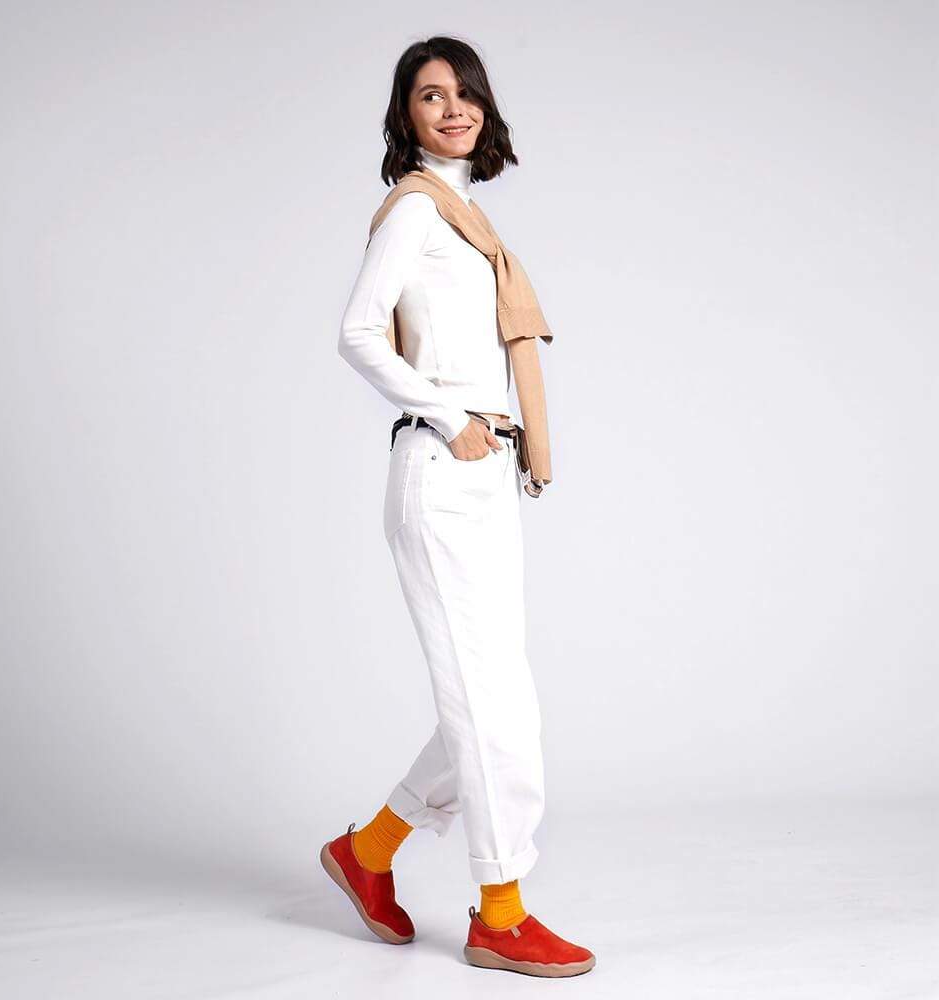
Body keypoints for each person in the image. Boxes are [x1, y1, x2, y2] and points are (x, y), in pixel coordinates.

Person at [321, 36, 595, 978]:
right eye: (429, 95)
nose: (453, 108)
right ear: (405, 116)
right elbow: (359, 332)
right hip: (440, 470)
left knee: (492, 695)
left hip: (484, 474)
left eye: (464, 92)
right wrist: (448, 415)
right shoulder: (414, 209)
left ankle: (367, 852)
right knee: (495, 707)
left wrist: (488, 435)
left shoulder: (469, 218)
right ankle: (501, 913)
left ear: (485, 106)